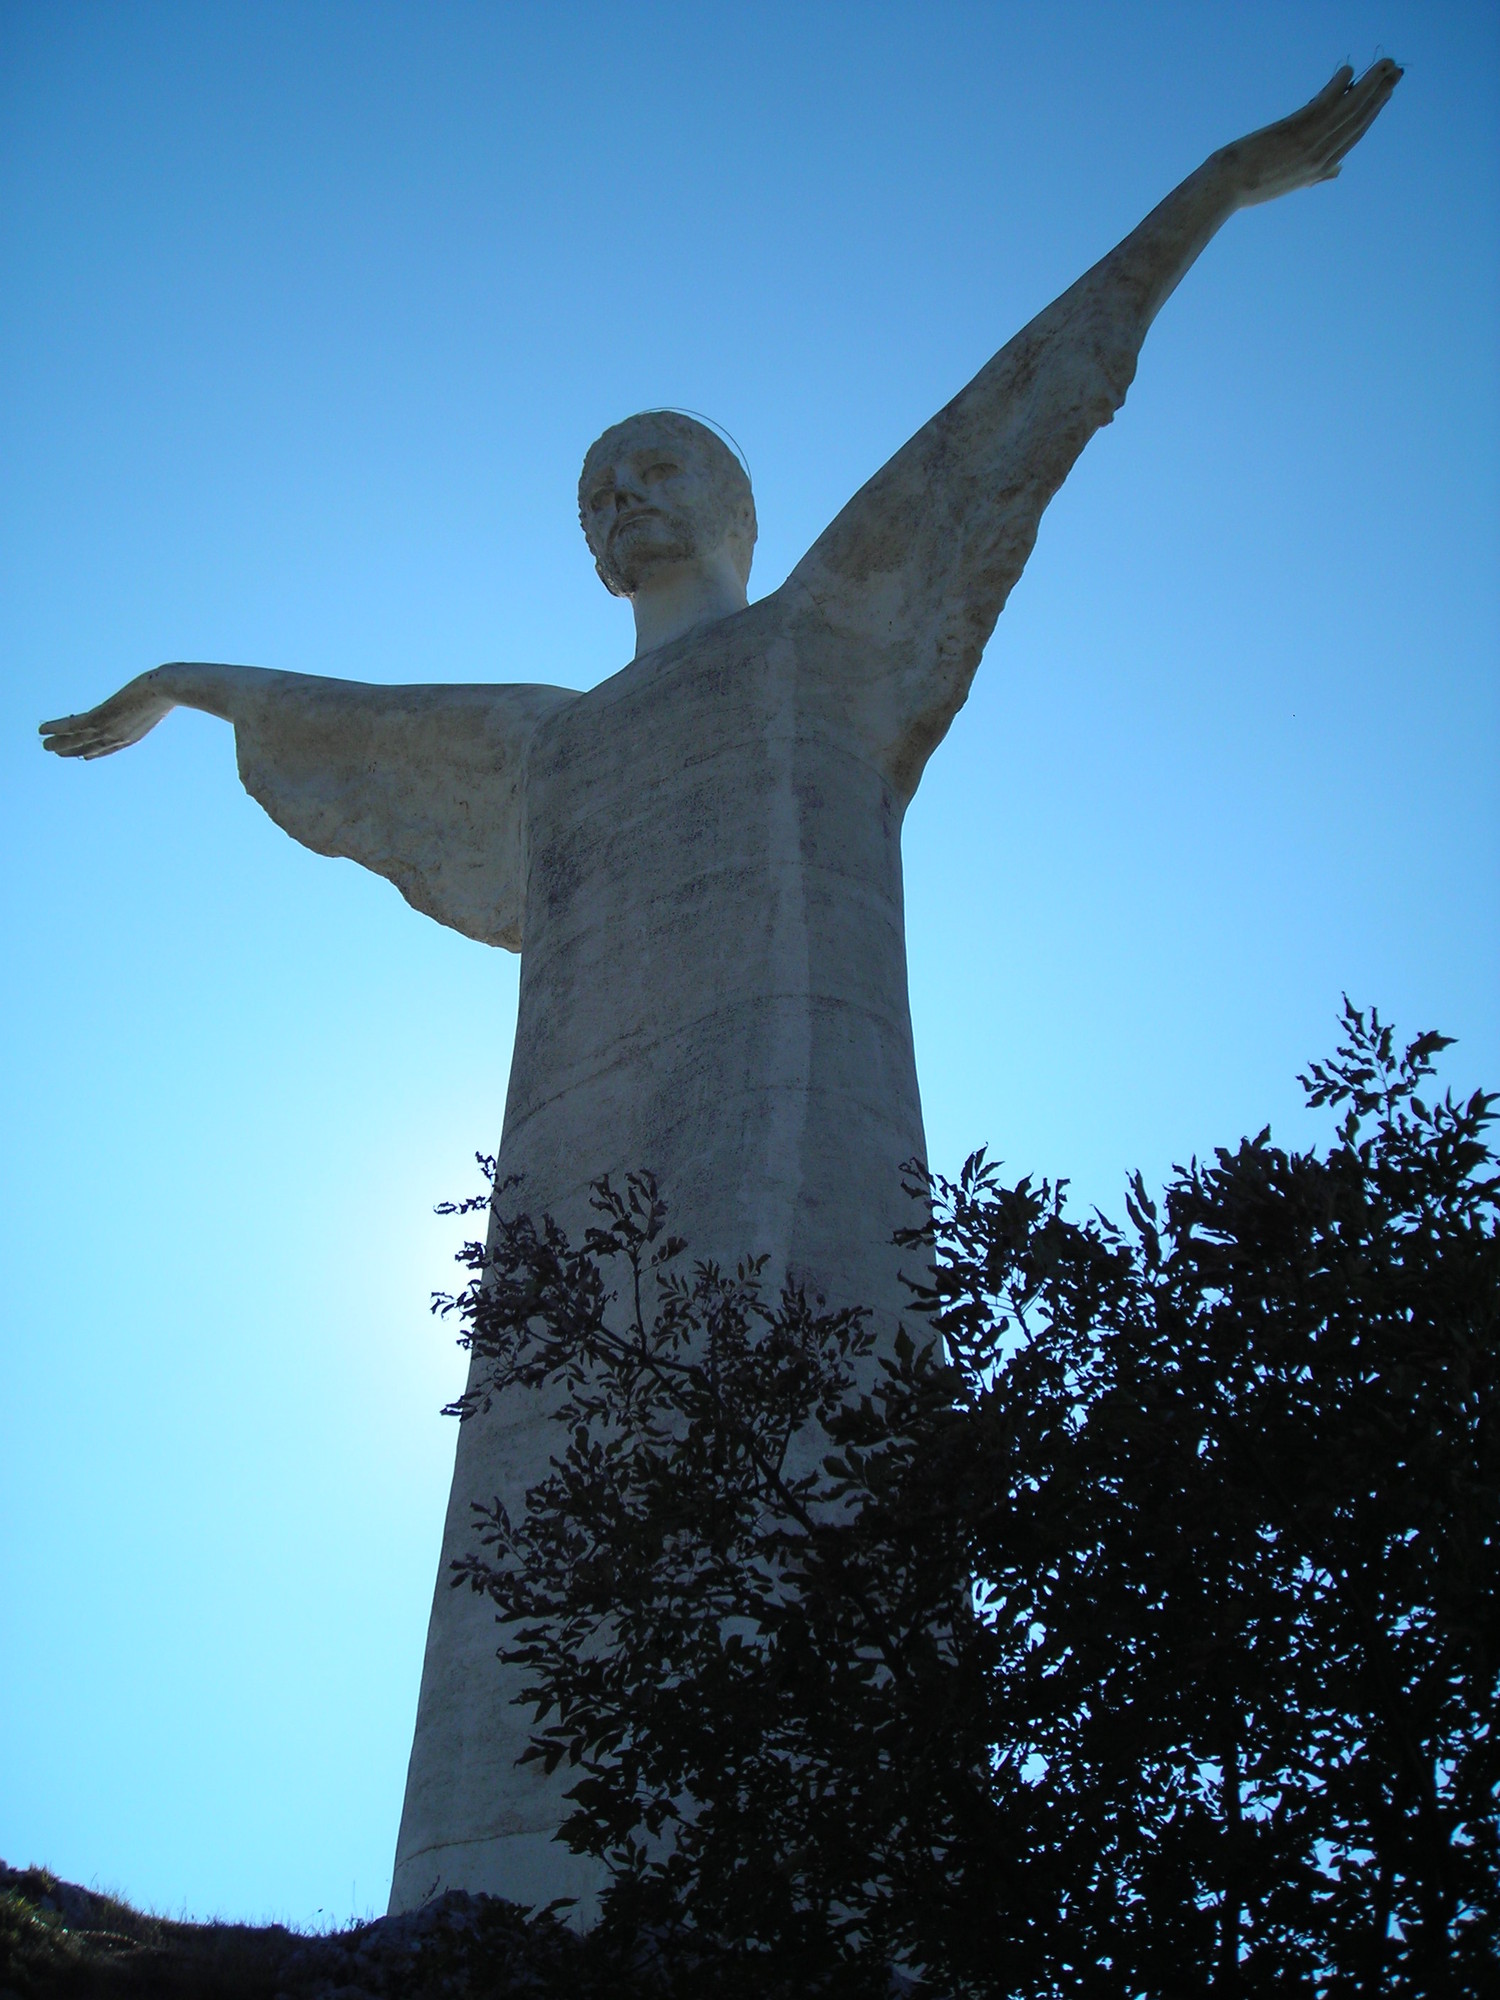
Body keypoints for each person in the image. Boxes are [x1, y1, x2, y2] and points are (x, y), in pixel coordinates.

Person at [41, 63, 1402, 1915]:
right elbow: (349, 716)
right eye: (598, 489)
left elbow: (1006, 423)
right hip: (567, 1184)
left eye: (656, 465)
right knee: (537, 1500)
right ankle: (486, 1909)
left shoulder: (826, 634)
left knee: (820, 1461)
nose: (621, 498)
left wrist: (1216, 192)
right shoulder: (549, 741)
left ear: (740, 507)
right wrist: (185, 680)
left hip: (799, 1113)